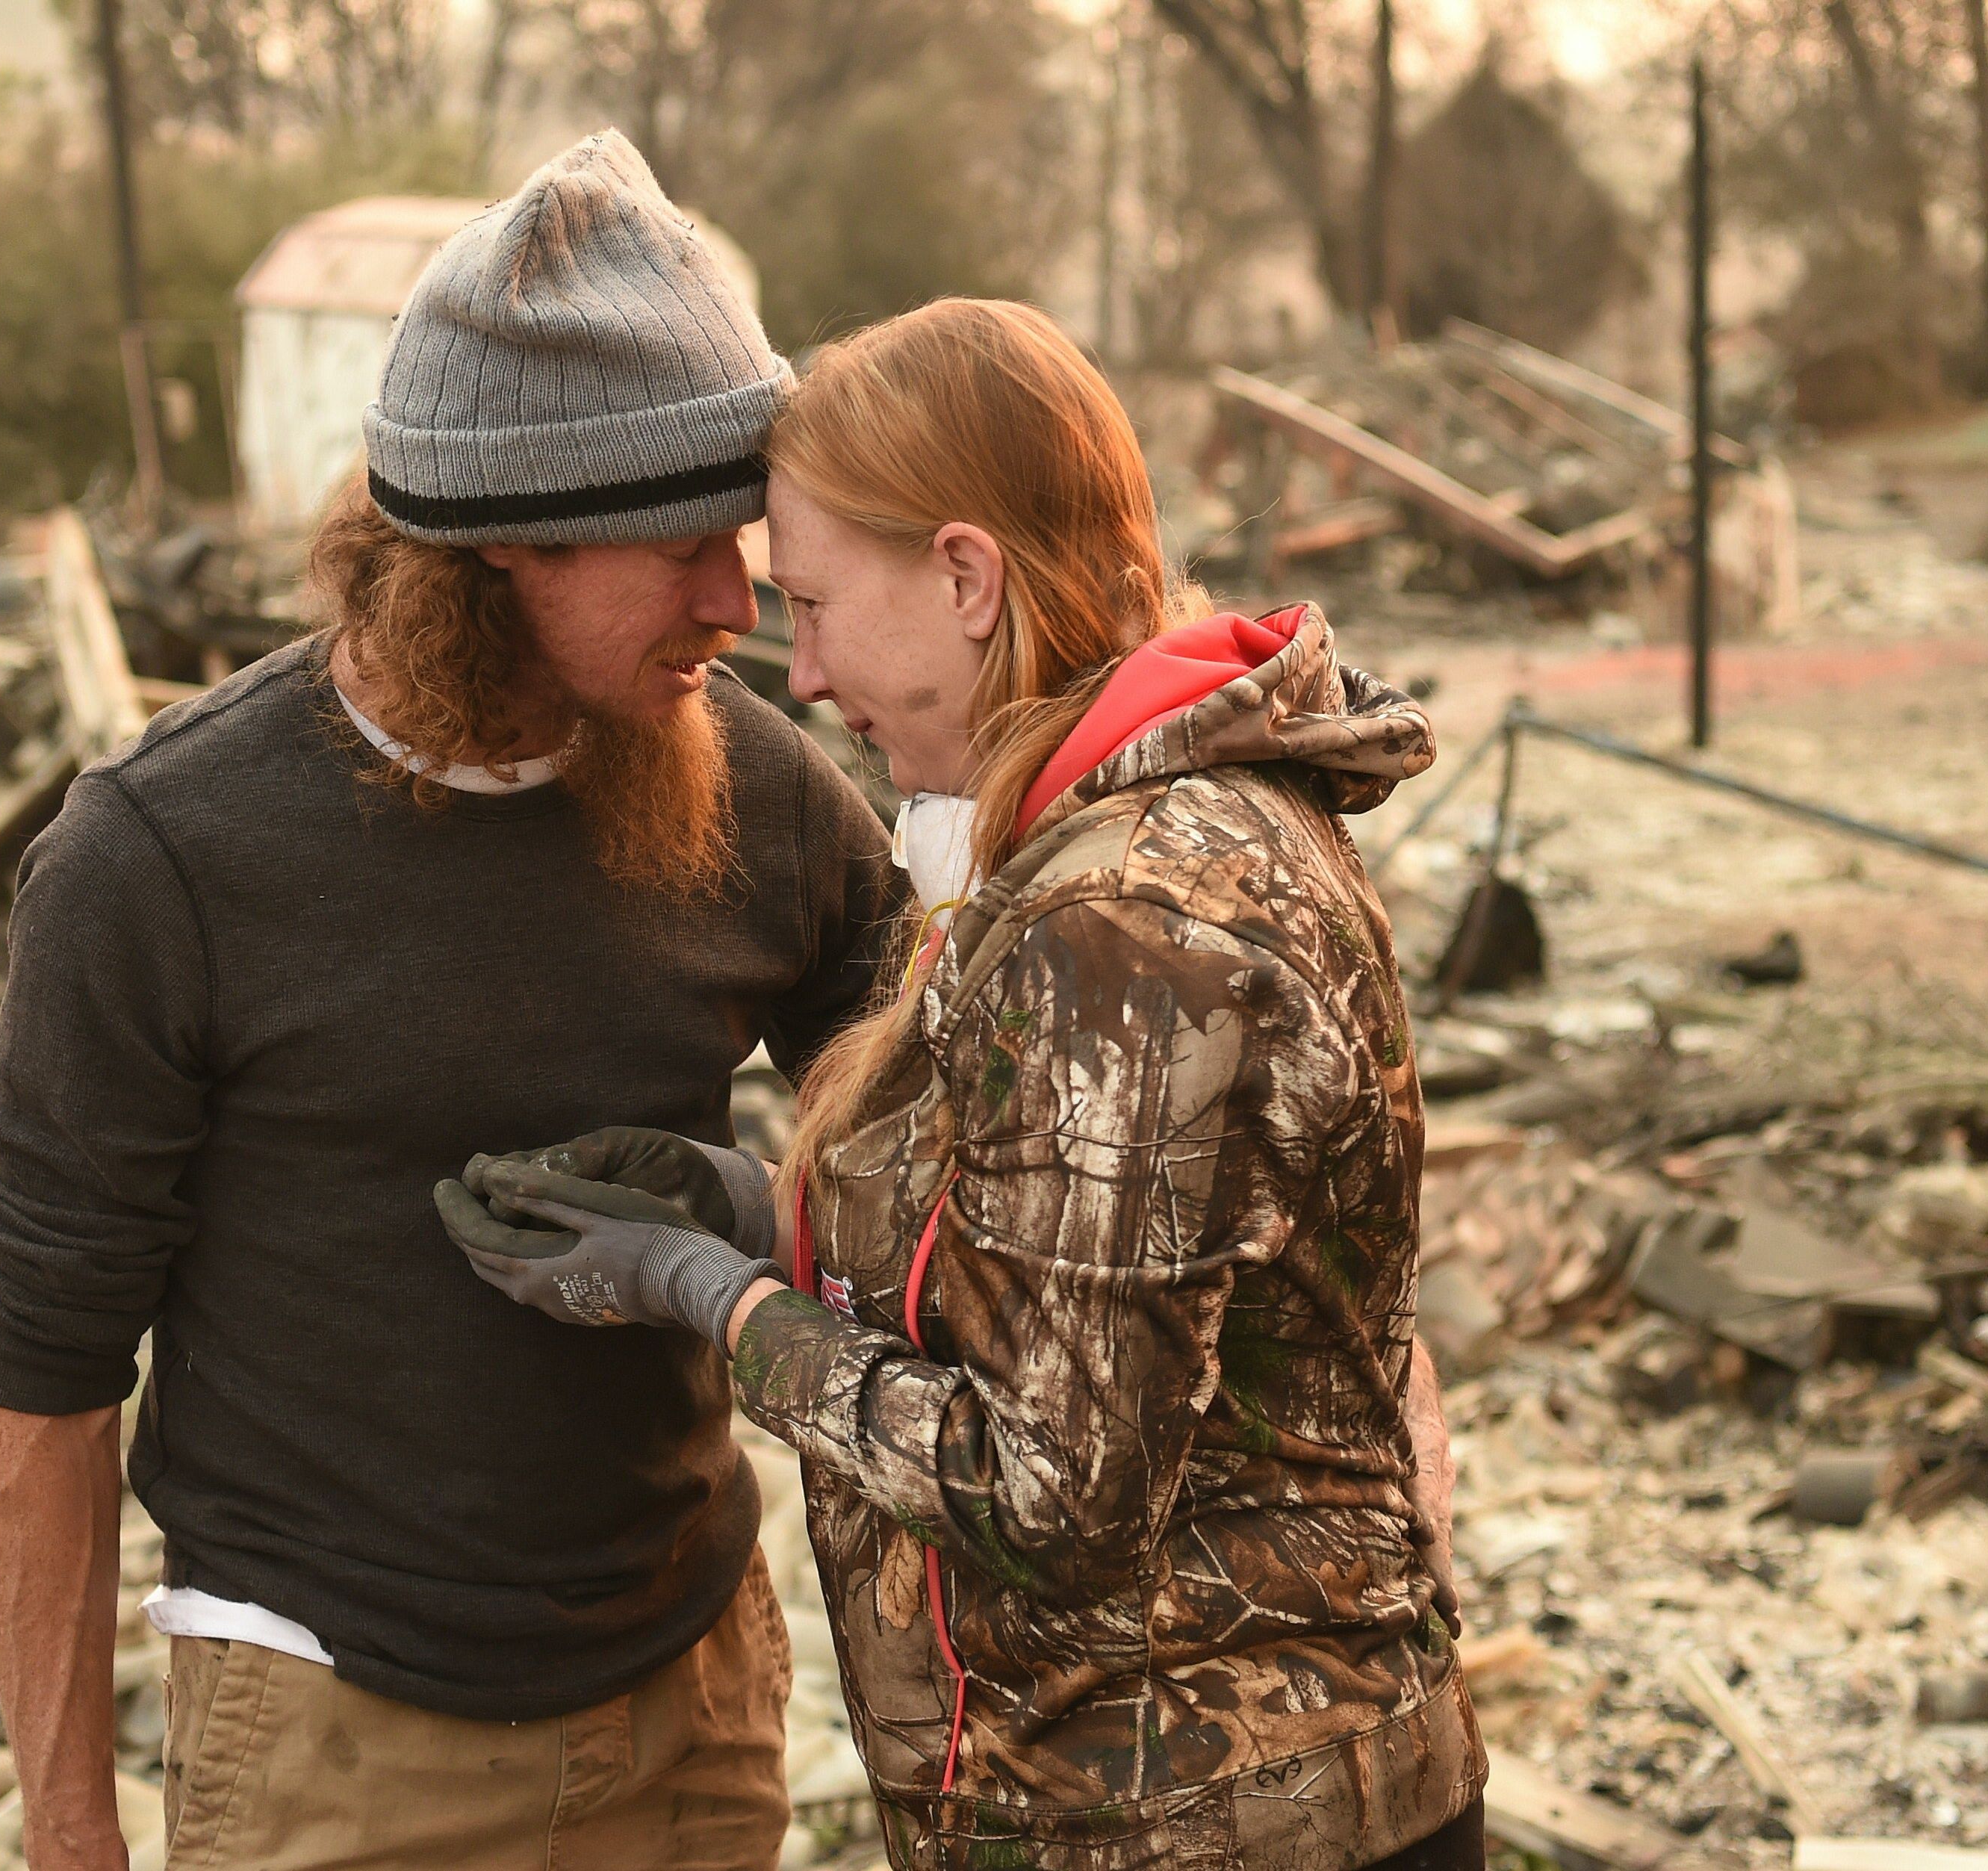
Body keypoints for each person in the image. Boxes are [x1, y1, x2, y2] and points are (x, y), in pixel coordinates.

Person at [440, 298, 1485, 1871]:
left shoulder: (1118, 921)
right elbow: (1100, 1278)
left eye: (812, 604)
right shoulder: (1132, 837)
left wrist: (714, 1299)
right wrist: (759, 1203)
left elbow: (1049, 1488)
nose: (794, 675)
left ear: (963, 574)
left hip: (1188, 1818)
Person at [0, 131, 897, 1870]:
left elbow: (959, 1140)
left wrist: (748, 1216)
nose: (738, 597)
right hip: (336, 1738)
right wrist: (69, 1829)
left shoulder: (755, 785)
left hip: (690, 1698)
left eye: (743, 533)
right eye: (679, 545)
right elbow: (40, 1377)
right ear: (489, 558)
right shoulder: (160, 858)